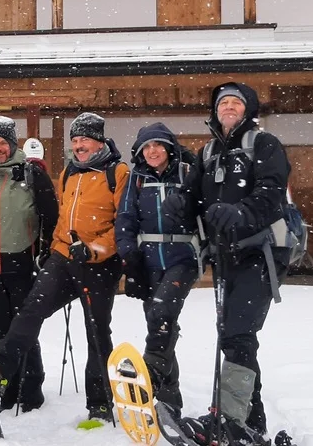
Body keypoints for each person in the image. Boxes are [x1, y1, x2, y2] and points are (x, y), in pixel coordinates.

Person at [162, 83, 290, 446]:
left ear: (246, 110)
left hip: (260, 254)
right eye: (223, 104)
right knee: (236, 338)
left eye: (236, 103)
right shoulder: (208, 153)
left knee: (237, 333)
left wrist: (240, 212)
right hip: (225, 256)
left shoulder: (263, 145)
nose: (229, 108)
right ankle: (252, 419)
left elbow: (272, 192)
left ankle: (229, 418)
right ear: (216, 111)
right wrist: (179, 205)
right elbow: (193, 197)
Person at [0, 112, 128, 424]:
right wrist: (55, 247)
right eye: (75, 141)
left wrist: (94, 249)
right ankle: (0, 367)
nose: (78, 145)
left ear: (99, 142)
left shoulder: (117, 173)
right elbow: (63, 216)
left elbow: (123, 225)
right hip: (63, 258)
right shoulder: (69, 174)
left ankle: (100, 403)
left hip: (99, 265)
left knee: (96, 331)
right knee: (31, 309)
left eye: (84, 140)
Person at [0, 115, 58, 412]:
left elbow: (50, 216)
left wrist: (46, 252)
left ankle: (31, 388)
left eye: (3, 143)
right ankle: (5, 385)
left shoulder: (32, 174)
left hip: (22, 264)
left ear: (12, 143)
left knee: (23, 330)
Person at [115, 122, 201, 411]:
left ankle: (149, 376)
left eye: (158, 145)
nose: (152, 151)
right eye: (147, 147)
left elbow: (203, 206)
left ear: (169, 147)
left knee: (162, 311)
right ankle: (170, 397)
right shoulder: (136, 178)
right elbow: (125, 219)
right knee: (159, 322)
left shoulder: (187, 173)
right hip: (149, 260)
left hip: (183, 257)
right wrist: (130, 259)